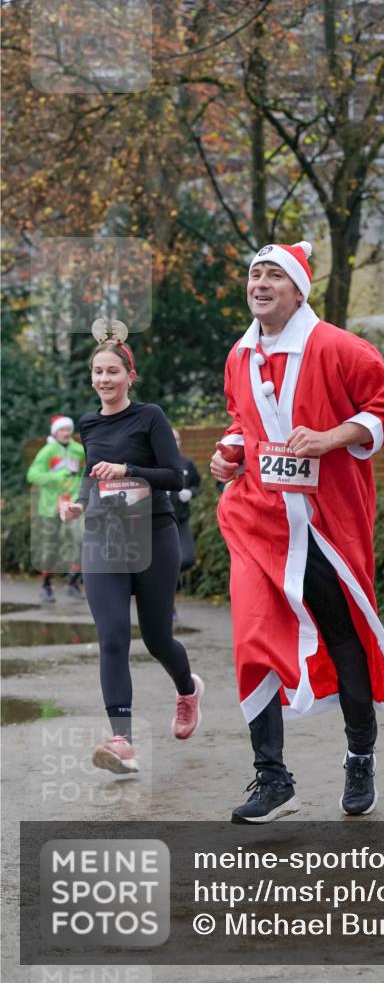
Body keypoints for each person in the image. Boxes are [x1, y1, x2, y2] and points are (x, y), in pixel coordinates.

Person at [210, 239, 384, 824]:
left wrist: (332, 438)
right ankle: (273, 778)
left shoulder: (340, 347)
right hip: (258, 521)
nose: (260, 283)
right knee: (252, 639)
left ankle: (360, 757)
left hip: (327, 523)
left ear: (299, 291)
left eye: (273, 275)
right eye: (255, 273)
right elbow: (243, 420)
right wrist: (229, 453)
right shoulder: (239, 356)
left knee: (344, 636)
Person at [60, 328, 204, 775]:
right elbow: (91, 474)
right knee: (113, 638)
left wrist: (128, 469)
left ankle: (187, 690)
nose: (104, 379)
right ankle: (121, 740)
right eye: (98, 372)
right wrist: (78, 503)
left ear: (129, 376)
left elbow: (176, 476)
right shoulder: (89, 423)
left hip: (154, 533)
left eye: (112, 371)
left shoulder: (150, 417)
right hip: (104, 536)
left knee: (157, 638)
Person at [26, 415, 85, 602]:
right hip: (51, 505)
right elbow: (32, 475)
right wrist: (57, 476)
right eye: (62, 430)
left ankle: (73, 583)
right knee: (50, 546)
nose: (66, 433)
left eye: (68, 429)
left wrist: (80, 492)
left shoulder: (79, 450)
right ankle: (46, 585)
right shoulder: (47, 451)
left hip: (72, 503)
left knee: (79, 539)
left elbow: (85, 474)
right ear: (55, 432)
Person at [170, 429, 202, 607]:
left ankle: (172, 583)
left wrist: (191, 492)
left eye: (176, 439)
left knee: (187, 559)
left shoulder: (187, 465)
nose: (174, 442)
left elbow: (197, 485)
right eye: (170, 439)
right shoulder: (155, 464)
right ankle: (169, 605)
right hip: (161, 524)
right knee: (166, 562)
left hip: (181, 521)